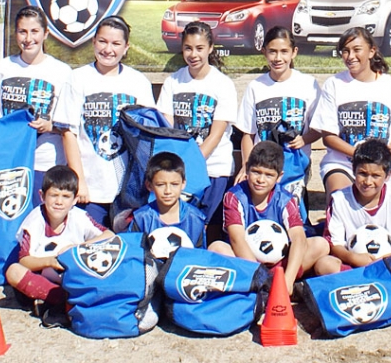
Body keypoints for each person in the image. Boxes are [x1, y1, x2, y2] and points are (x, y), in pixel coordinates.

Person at [55, 16, 155, 227]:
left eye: (116, 43)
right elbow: (69, 133)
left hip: (128, 192)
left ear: (126, 47)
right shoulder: (78, 78)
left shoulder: (138, 83)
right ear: (93, 42)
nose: (108, 49)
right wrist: (79, 180)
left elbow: (148, 138)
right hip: (90, 189)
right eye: (103, 41)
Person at [208, 141, 332, 295]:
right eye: (256, 172)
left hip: (279, 264)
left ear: (279, 177)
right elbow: (236, 239)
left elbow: (298, 238)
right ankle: (260, 285)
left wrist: (288, 279)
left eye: (268, 175)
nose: (261, 180)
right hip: (245, 262)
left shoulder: (286, 199)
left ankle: (283, 283)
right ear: (247, 169)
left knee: (320, 244)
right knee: (217, 248)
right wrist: (260, 277)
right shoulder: (234, 196)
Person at [0, 6, 72, 205]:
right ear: (15, 33)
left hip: (45, 160)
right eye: (22, 31)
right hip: (9, 157)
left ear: (46, 33)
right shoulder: (2, 68)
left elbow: (68, 125)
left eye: (34, 31)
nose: (28, 38)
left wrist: (50, 126)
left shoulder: (62, 72)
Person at [156, 21, 237, 239]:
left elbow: (216, 134)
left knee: (209, 232)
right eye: (188, 48)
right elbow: (166, 128)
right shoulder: (173, 82)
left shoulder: (223, 84)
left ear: (210, 48)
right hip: (181, 173)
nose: (194, 54)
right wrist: (179, 168)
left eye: (200, 48)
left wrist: (191, 163)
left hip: (213, 170)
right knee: (182, 231)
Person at [310, 27, 391, 195]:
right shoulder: (334, 84)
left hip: (377, 167)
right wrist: (361, 155)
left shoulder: (390, 86)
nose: (350, 57)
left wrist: (388, 151)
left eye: (357, 50)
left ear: (371, 51)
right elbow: (328, 138)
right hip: (341, 163)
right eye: (345, 51)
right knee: (340, 199)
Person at [5, 165, 114, 320]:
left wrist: (78, 249)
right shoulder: (33, 221)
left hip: (73, 275)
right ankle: (63, 300)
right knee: (13, 271)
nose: (59, 202)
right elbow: (24, 260)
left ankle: (59, 302)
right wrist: (51, 261)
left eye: (65, 196)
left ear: (75, 199)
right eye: (54, 195)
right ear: (42, 196)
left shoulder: (79, 216)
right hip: (44, 276)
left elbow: (109, 235)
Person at [234, 26, 321, 210]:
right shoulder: (255, 87)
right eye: (272, 52)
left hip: (295, 167)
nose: (278, 58)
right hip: (261, 169)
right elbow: (248, 135)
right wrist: (246, 166)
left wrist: (304, 139)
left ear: (294, 52)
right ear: (264, 51)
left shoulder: (308, 84)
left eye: (284, 52)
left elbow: (319, 128)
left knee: (292, 214)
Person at [314, 139, 391, 276]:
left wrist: (383, 261)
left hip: (390, 264)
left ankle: (364, 280)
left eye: (376, 176)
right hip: (352, 265)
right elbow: (333, 244)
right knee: (324, 264)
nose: (368, 182)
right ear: (353, 171)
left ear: (387, 175)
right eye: (363, 174)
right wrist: (353, 257)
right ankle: (372, 281)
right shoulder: (339, 199)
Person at [125, 151, 207, 249]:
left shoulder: (195, 219)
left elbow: (200, 257)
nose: (168, 191)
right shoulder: (141, 219)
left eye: (174, 184)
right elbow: (132, 253)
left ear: (183, 183)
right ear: (149, 185)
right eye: (160, 185)